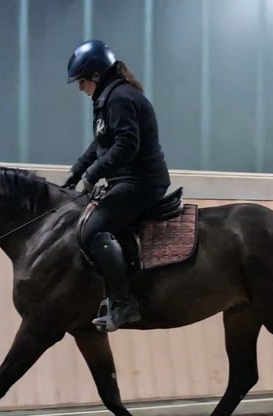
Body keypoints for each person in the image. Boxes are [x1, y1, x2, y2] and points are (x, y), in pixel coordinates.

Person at [62, 39, 171, 332]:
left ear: (96, 76)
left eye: (82, 81)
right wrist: (76, 172)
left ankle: (124, 304)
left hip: (143, 182)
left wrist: (92, 175)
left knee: (93, 229)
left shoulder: (120, 98)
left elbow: (126, 145)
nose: (81, 88)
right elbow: (101, 142)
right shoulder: (108, 99)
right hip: (126, 179)